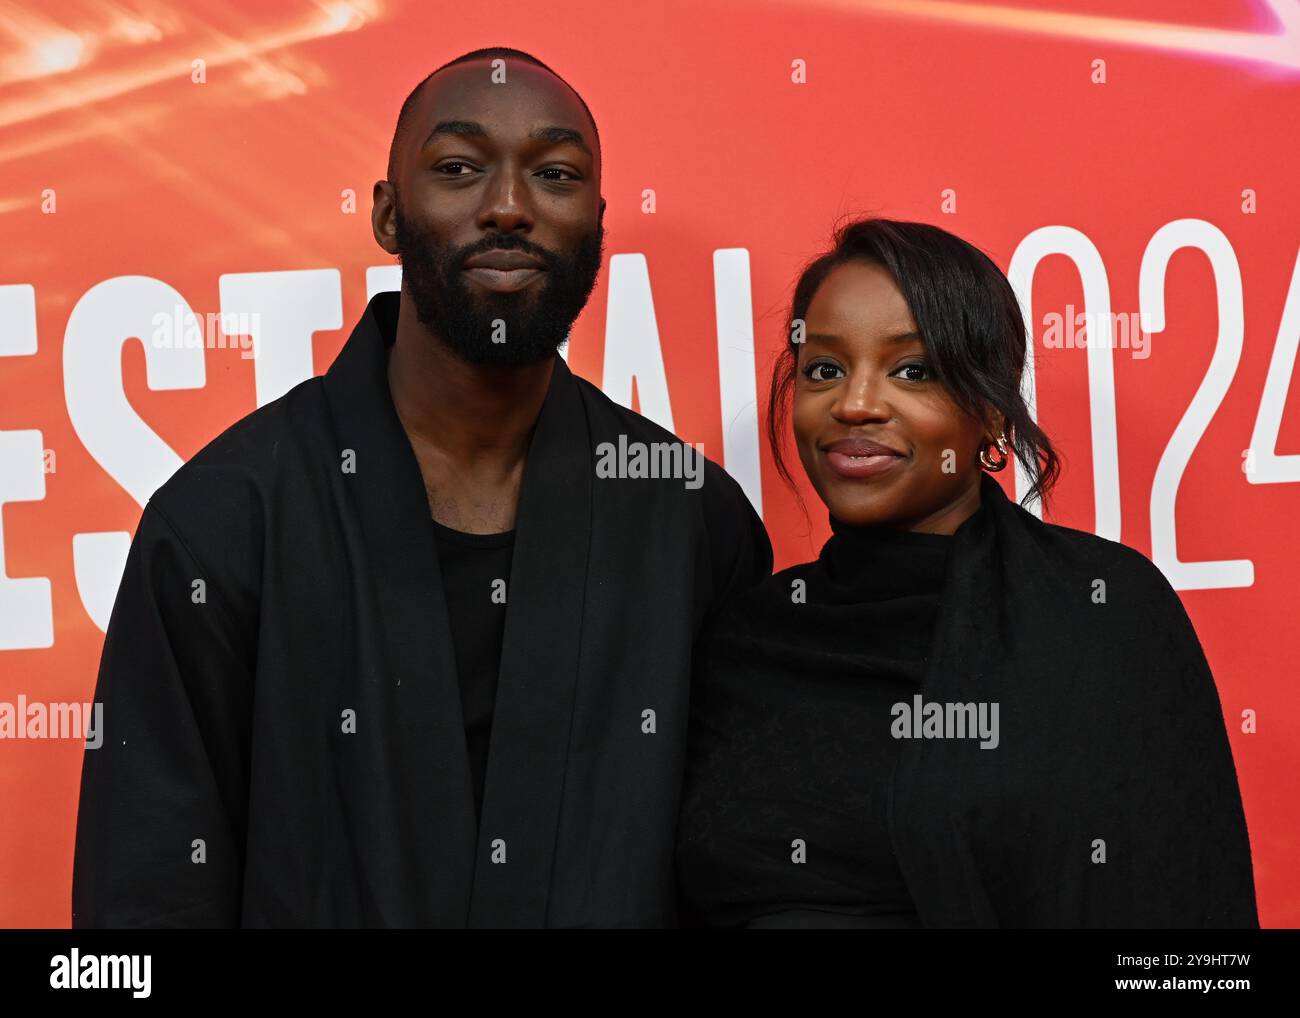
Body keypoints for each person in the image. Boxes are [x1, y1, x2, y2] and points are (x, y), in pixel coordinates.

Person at [72, 47, 771, 928]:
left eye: (553, 173)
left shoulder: (690, 521)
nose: (509, 206)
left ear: (596, 220)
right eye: (458, 168)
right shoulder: (223, 520)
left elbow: (747, 868)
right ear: (389, 214)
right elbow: (144, 888)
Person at [675, 217, 1258, 928]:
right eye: (824, 369)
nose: (855, 403)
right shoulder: (742, 641)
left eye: (912, 371)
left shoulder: (1098, 616)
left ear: (989, 410)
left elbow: (1186, 914)